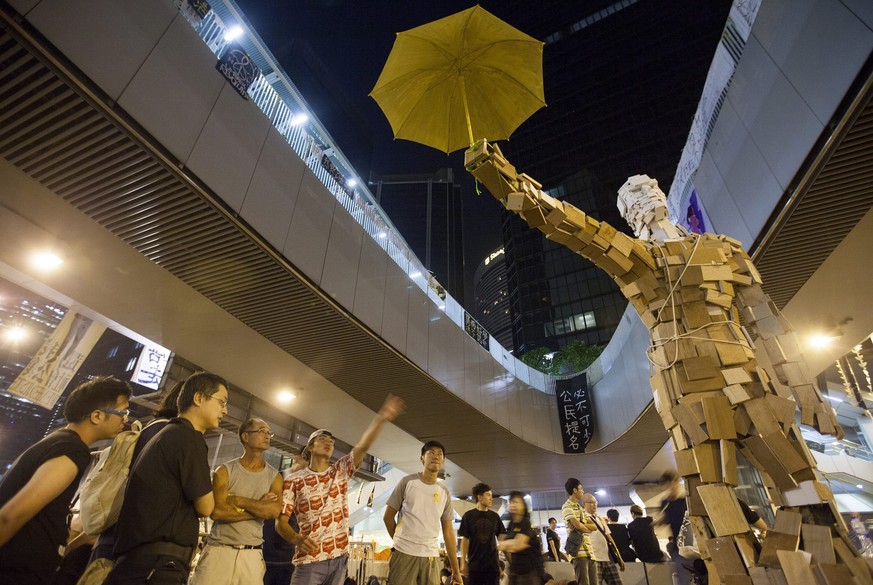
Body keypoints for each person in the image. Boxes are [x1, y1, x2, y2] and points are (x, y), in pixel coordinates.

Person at [466, 141, 868, 577]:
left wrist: (806, 392)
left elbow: (767, 323)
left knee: (803, 487)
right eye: (631, 196)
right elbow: (567, 224)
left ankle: (824, 569)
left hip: (750, 382)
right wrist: (500, 175)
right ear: (628, 215)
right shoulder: (638, 260)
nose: (643, 196)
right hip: (689, 397)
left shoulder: (724, 250)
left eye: (647, 187)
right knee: (716, 506)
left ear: (662, 196)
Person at [0, 376, 132, 584]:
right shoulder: (71, 450)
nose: (125, 419)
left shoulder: (57, 442)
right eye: (122, 413)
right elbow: (11, 515)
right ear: (97, 416)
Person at [104, 371, 229, 584]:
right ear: (198, 398)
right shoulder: (189, 437)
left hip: (133, 562)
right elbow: (206, 507)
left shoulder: (163, 434)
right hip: (158, 566)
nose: (225, 411)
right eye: (221, 402)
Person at [280, 394, 405, 585]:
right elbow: (280, 523)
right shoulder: (295, 480)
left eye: (331, 441)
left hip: (339, 560)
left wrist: (381, 418)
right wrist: (296, 538)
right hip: (309, 561)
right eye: (322, 439)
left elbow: (362, 446)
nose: (329, 442)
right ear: (310, 447)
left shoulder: (340, 471)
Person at [88, 380, 185, 563]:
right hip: (130, 544)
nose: (223, 410)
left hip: (116, 536)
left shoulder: (153, 428)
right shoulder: (168, 433)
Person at [190, 418, 284, 585]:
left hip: (252, 555)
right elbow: (217, 512)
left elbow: (274, 511)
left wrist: (237, 500)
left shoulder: (274, 476)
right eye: (261, 431)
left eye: (269, 432)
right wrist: (259, 508)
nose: (267, 436)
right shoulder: (224, 471)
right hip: (219, 551)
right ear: (245, 436)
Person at [384, 440, 462, 585]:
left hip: (431, 557)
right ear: (422, 458)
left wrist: (456, 571)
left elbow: (448, 532)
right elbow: (388, 517)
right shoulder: (407, 482)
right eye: (431, 452)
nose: (436, 456)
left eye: (439, 454)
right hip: (404, 554)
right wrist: (399, 543)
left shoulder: (444, 492)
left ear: (443, 461)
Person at [459, 482, 506, 585]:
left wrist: (498, 550)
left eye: (491, 496)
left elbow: (502, 534)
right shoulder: (468, 516)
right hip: (474, 566)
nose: (491, 498)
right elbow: (465, 539)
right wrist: (463, 561)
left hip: (492, 567)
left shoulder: (494, 516)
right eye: (488, 495)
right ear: (480, 497)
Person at [498, 491, 544, 585]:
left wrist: (497, 545)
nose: (513, 505)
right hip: (516, 572)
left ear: (523, 506)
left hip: (530, 573)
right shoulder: (511, 524)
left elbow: (518, 544)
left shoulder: (526, 523)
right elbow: (507, 546)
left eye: (516, 502)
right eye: (511, 502)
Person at [560, 478, 596, 585]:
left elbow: (594, 527)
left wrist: (581, 526)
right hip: (578, 553)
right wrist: (582, 527)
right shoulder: (566, 506)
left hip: (590, 552)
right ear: (575, 490)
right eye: (581, 488)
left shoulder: (580, 509)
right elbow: (577, 525)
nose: (583, 491)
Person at [581, 494, 623, 585]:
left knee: (617, 582)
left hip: (607, 559)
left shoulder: (600, 518)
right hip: (593, 560)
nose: (594, 504)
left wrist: (619, 557)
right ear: (584, 504)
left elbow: (609, 538)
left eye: (595, 502)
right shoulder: (581, 518)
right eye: (591, 502)